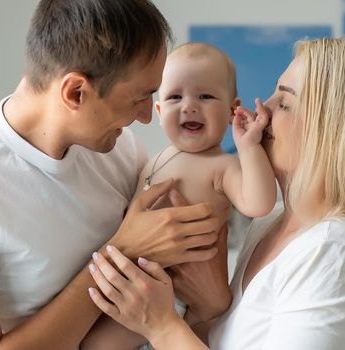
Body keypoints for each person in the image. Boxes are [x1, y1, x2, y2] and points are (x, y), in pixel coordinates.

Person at [0, 1, 228, 349]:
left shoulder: (123, 151)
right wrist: (121, 250)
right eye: (139, 97)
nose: (148, 116)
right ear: (75, 92)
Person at [85, 36, 345, 349]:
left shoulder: (333, 252)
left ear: (332, 131)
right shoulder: (270, 225)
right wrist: (203, 312)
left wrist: (160, 325)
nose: (264, 108)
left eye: (284, 102)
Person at [81, 42, 278, 349]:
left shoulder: (223, 166)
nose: (189, 106)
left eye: (206, 96)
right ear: (159, 111)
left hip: (175, 295)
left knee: (97, 345)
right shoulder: (152, 160)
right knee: (90, 339)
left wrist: (249, 146)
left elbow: (260, 203)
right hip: (140, 281)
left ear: (232, 110)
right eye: (175, 96)